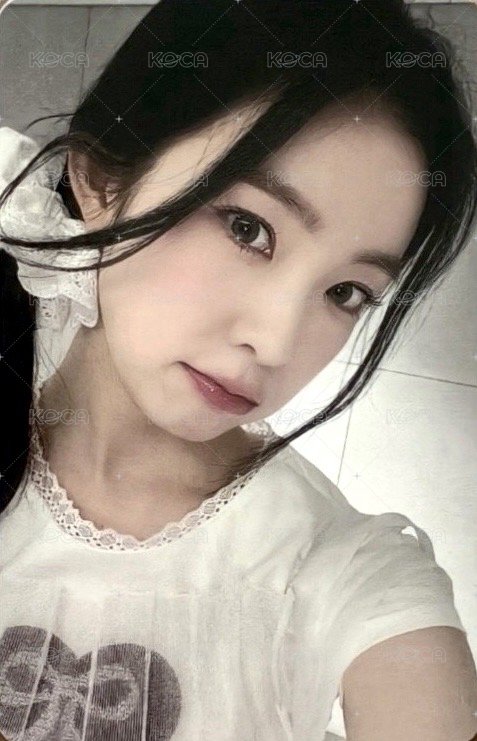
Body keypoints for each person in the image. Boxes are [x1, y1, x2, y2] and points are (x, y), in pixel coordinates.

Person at [0, 1, 476, 739]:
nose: (277, 342)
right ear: (100, 182)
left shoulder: (340, 568)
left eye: (345, 292)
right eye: (248, 228)